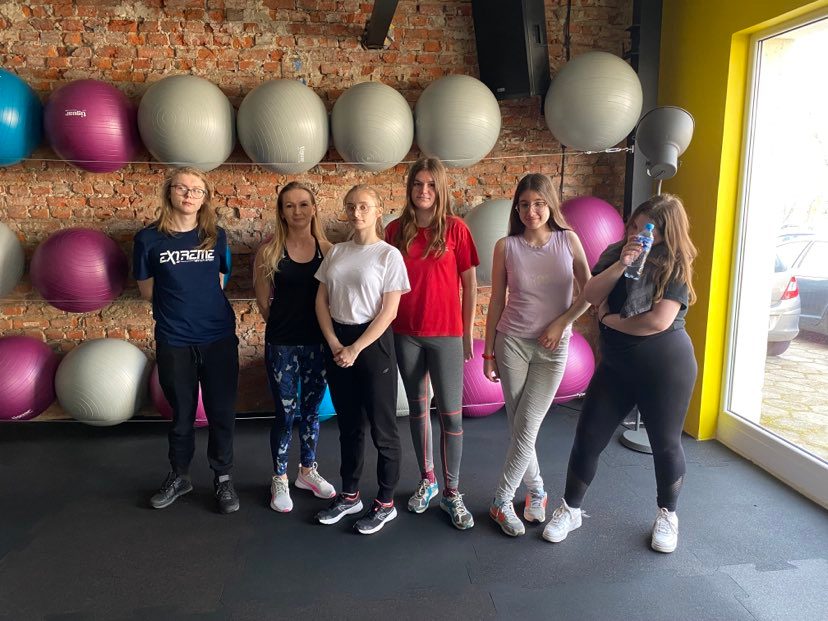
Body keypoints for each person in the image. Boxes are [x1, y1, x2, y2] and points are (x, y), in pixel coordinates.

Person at [543, 193, 698, 553]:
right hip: (616, 365)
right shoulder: (616, 252)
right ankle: (571, 509)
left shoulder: (673, 264)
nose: (635, 233)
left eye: (646, 229)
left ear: (665, 233)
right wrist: (621, 263)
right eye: (633, 225)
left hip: (665, 366)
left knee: (665, 443)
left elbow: (657, 321)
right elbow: (591, 293)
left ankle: (668, 515)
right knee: (588, 436)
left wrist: (611, 321)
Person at [482, 173, 591, 537]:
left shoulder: (568, 240)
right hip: (511, 342)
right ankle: (538, 491)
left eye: (539, 203)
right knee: (521, 426)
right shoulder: (506, 246)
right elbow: (496, 300)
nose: (532, 211)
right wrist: (488, 353)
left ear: (551, 205)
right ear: (517, 209)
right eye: (525, 205)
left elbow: (589, 291)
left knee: (526, 426)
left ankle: (501, 499)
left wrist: (562, 323)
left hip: (553, 347)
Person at [134, 166, 240, 514]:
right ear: (170, 192)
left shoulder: (215, 236)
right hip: (175, 339)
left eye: (197, 190)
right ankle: (180, 476)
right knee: (181, 414)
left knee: (221, 412)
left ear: (205, 198)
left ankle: (223, 478)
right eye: (182, 188)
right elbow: (147, 291)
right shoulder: (148, 239)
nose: (189, 195)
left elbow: (219, 280)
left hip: (218, 338)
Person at [385, 157, 479, 530]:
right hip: (405, 333)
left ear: (440, 189)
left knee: (451, 415)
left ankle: (452, 492)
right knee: (418, 410)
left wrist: (467, 332)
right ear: (409, 188)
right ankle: (428, 479)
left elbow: (470, 284)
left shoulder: (456, 229)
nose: (423, 191)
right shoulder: (394, 230)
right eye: (417, 184)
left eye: (430, 184)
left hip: (446, 335)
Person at [314, 184, 410, 535]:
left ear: (378, 210)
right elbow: (321, 301)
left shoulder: (389, 255)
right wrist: (334, 342)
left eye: (364, 206)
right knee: (349, 427)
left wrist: (355, 348)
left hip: (373, 344)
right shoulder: (337, 252)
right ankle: (350, 495)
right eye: (351, 206)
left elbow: (389, 312)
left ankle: (385, 503)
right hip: (337, 341)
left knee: (383, 429)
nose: (356, 212)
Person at [254, 182, 336, 514]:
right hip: (282, 344)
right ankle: (279, 477)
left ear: (314, 208)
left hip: (318, 343)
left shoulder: (328, 251)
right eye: (289, 205)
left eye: (303, 204)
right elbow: (263, 302)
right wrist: (284, 326)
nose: (297, 211)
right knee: (286, 413)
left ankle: (307, 471)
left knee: (312, 411)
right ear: (281, 212)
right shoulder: (269, 252)